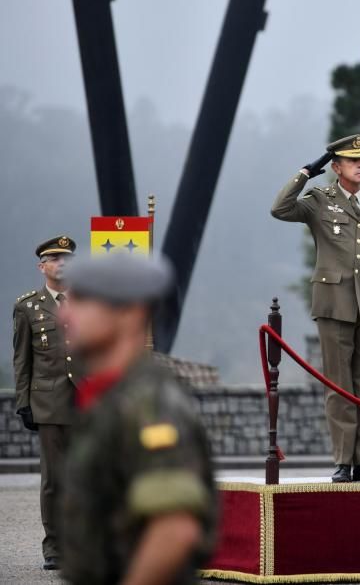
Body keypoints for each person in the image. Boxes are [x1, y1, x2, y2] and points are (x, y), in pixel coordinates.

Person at [58, 254, 216, 585]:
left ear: (131, 312)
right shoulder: (111, 399)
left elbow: (174, 530)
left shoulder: (149, 404)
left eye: (84, 300)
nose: (65, 314)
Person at [271, 133, 360, 483]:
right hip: (335, 303)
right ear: (336, 167)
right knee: (339, 387)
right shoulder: (319, 201)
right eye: (354, 161)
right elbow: (279, 208)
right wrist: (306, 173)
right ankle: (344, 460)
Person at [11, 235, 82, 570]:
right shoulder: (27, 307)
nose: (62, 263)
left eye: (66, 257)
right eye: (54, 258)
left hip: (86, 402)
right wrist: (23, 401)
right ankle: (53, 547)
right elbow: (22, 360)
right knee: (54, 479)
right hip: (50, 403)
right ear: (42, 266)